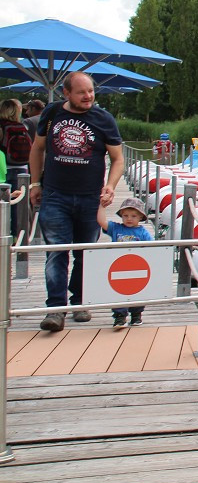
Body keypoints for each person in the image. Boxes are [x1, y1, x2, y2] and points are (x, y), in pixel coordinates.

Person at [29, 71, 125, 332]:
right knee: (56, 253)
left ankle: (80, 300)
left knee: (85, 252)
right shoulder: (51, 114)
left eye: (91, 91)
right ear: (66, 93)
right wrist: (35, 182)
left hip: (89, 198)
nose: (88, 96)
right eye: (82, 92)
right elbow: (37, 149)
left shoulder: (103, 119)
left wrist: (111, 185)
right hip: (54, 194)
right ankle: (56, 309)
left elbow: (118, 158)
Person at [97, 197, 152, 327]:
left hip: (137, 266)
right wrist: (102, 206)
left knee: (138, 291)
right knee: (118, 291)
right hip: (119, 266)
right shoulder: (116, 228)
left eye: (133, 216)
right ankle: (119, 316)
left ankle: (136, 314)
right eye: (125, 215)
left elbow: (152, 248)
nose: (129, 219)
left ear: (140, 217)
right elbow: (101, 221)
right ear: (121, 216)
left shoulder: (143, 233)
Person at [0, 98, 31, 236]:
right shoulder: (22, 127)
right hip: (23, 168)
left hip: (5, 169)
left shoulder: (2, 126)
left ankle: (4, 235)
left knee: (4, 204)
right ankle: (18, 235)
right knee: (18, 206)